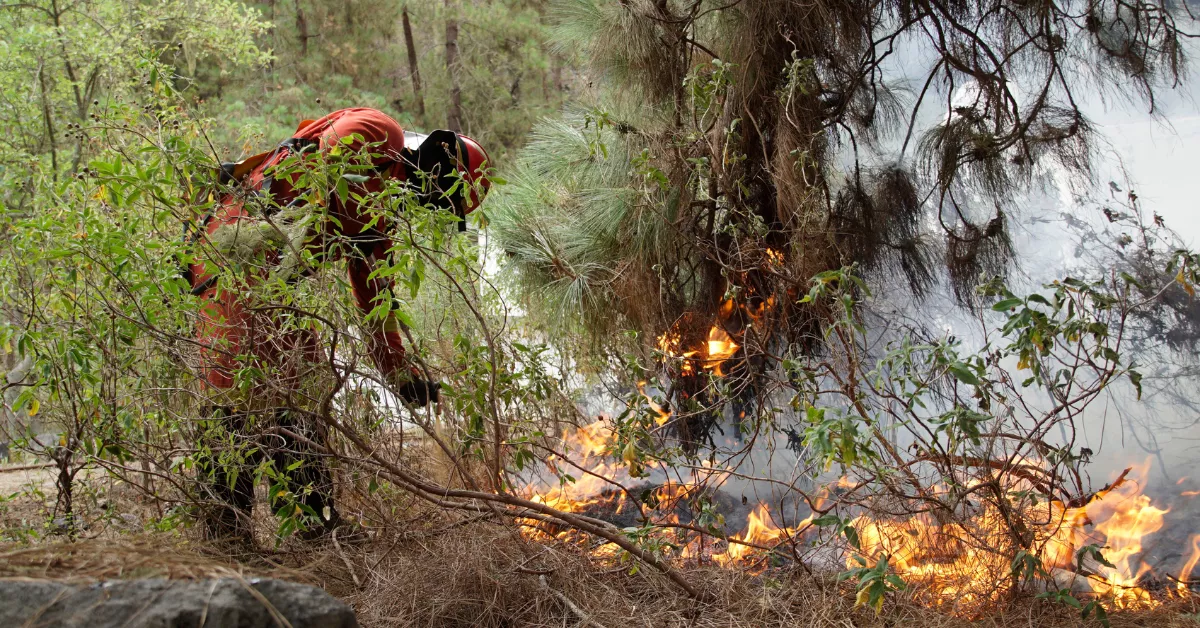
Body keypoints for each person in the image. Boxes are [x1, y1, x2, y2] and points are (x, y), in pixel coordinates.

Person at [184, 107, 490, 540]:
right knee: (240, 388)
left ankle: (307, 522)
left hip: (259, 274)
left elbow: (376, 302)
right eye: (436, 197)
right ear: (435, 172)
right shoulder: (382, 132)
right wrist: (353, 203)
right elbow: (340, 140)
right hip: (233, 256)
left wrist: (400, 374)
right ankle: (228, 531)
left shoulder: (374, 219)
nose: (421, 205)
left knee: (299, 375)